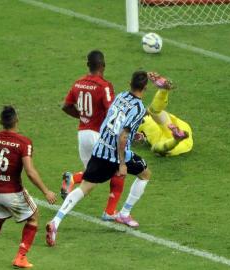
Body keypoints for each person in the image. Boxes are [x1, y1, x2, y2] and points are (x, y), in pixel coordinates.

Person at [46, 71, 151, 247]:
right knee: (145, 174)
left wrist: (134, 135)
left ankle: (56, 221)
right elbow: (123, 135)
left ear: (129, 82)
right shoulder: (139, 108)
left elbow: (114, 122)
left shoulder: (120, 96)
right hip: (116, 154)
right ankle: (124, 213)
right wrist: (122, 163)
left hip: (100, 147)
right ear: (145, 87)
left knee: (85, 187)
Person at [0, 106, 57, 269]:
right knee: (34, 216)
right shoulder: (24, 142)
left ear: (1, 122)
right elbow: (30, 172)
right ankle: (20, 257)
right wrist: (46, 191)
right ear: (16, 120)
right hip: (12, 192)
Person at [60, 49, 125, 221]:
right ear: (103, 65)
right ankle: (110, 212)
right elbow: (112, 111)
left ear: (88, 65)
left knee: (92, 177)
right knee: (119, 169)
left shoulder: (78, 83)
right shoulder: (104, 86)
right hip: (98, 136)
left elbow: (66, 106)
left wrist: (82, 117)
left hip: (83, 135)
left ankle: (72, 178)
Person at [136, 72, 193, 156]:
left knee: (156, 149)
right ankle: (163, 90)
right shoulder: (141, 118)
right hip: (180, 131)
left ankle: (176, 139)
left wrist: (140, 138)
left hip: (172, 139)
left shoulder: (131, 125)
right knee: (154, 111)